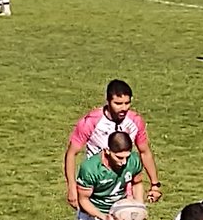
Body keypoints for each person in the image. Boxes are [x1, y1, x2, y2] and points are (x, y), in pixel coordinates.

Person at [64, 80, 161, 209]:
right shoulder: (91, 122)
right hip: (96, 189)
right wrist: (71, 187)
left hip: (124, 190)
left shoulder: (135, 121)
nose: (124, 108)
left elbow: (144, 152)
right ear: (108, 101)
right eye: (118, 103)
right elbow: (71, 153)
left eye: (127, 103)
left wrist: (154, 184)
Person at [73, 131, 143, 220]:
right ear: (107, 151)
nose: (124, 162)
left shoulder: (134, 161)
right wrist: (104, 217)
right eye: (119, 157)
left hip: (121, 212)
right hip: (93, 216)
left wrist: (139, 206)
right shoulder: (90, 169)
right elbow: (83, 199)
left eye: (127, 157)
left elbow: (137, 183)